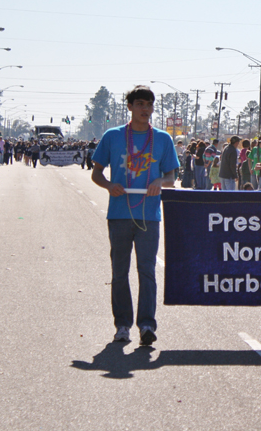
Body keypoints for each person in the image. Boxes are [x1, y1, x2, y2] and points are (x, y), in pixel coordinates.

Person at [91, 85, 179, 345]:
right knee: (119, 272)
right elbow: (96, 173)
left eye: (149, 105)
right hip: (119, 214)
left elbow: (172, 178)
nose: (145, 109)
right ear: (129, 107)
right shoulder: (113, 136)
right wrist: (109, 186)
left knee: (147, 271)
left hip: (149, 216)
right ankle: (122, 326)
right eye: (139, 104)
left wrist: (159, 183)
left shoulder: (163, 139)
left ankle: (147, 325)